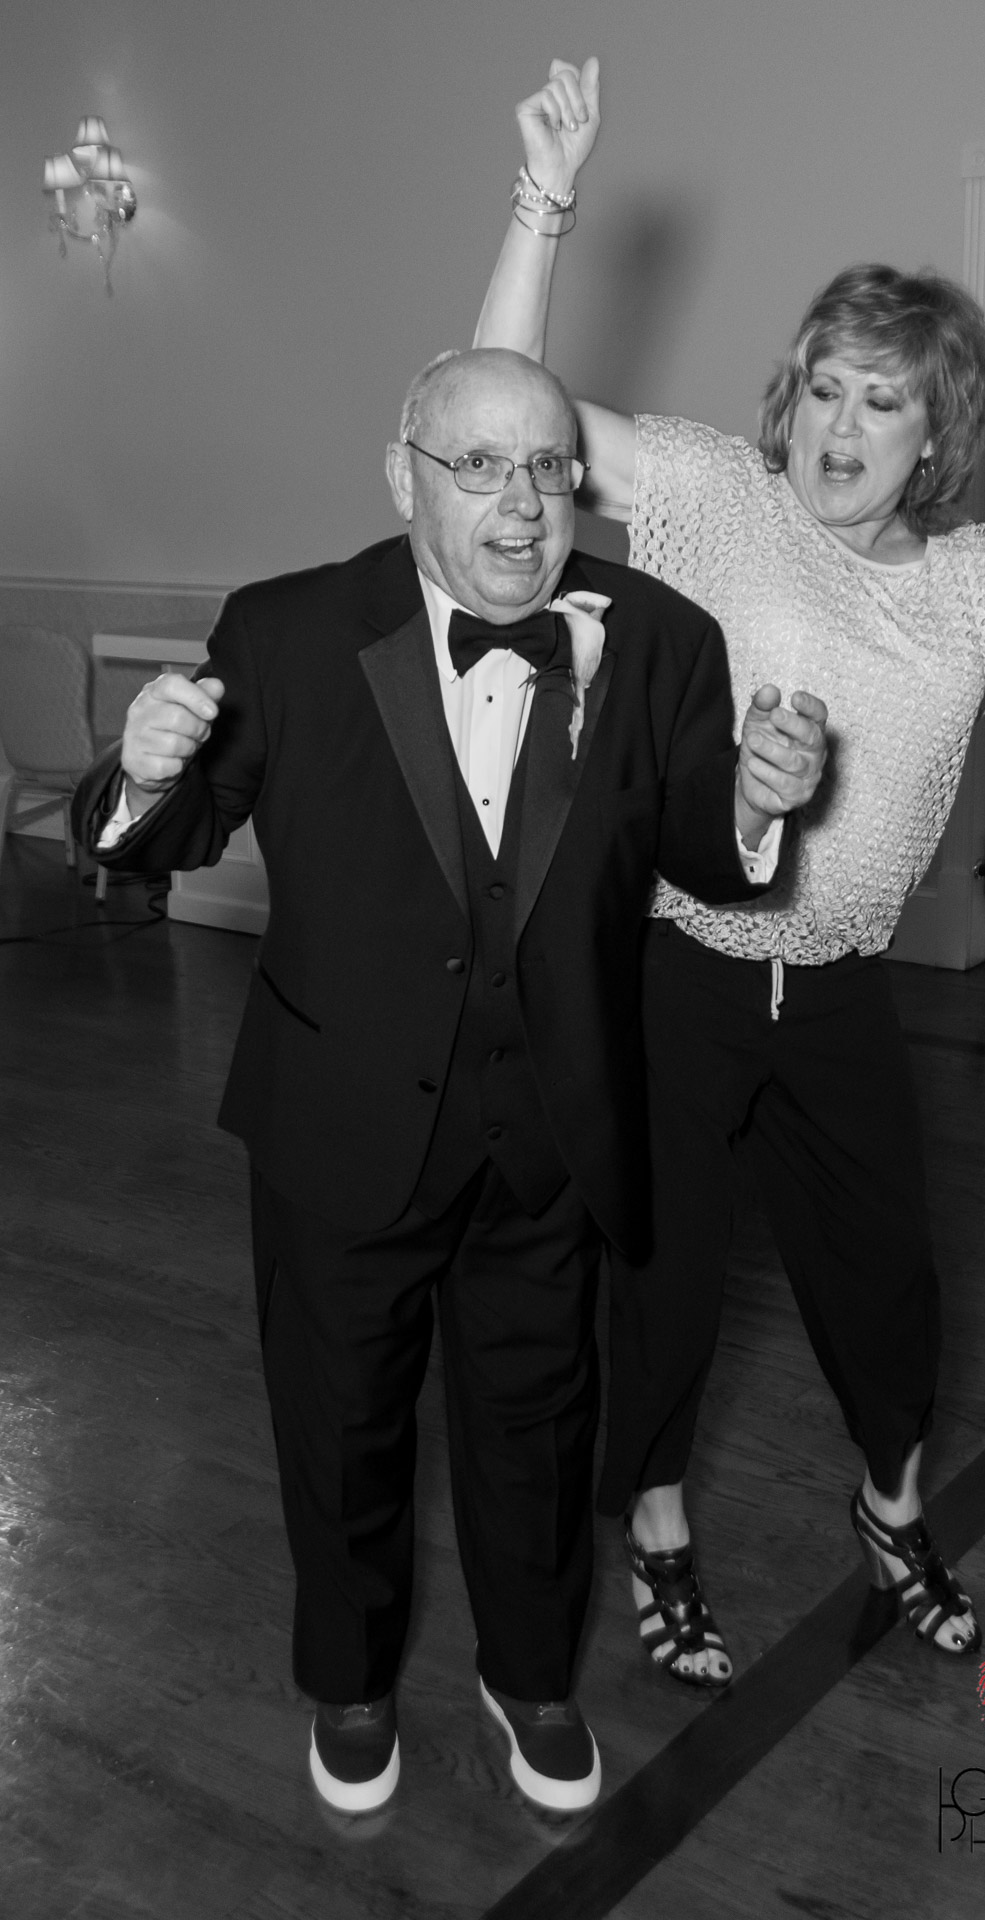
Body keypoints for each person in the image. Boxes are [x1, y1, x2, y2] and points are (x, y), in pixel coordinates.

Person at [473, 57, 985, 1687]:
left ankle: (890, 1508)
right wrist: (546, 201)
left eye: (883, 399)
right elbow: (506, 404)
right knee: (662, 1295)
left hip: (831, 996)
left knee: (883, 1288)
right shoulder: (705, 496)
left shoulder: (978, 585)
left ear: (935, 430)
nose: (842, 423)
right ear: (789, 394)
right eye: (825, 383)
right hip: (674, 968)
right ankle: (660, 1527)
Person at [72, 347, 827, 1814]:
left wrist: (750, 801)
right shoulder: (288, 631)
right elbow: (163, 843)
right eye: (479, 465)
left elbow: (693, 846)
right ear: (402, 476)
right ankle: (350, 1684)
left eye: (547, 467)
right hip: (340, 1121)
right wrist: (146, 770)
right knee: (339, 1418)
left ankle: (528, 1673)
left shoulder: (662, 637)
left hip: (553, 1126)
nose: (523, 503)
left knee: (538, 1419)